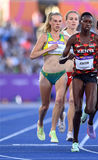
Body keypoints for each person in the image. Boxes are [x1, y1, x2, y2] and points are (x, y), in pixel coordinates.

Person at [59, 12, 98, 152]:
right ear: (81, 22)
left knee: (90, 108)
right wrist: (68, 57)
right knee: (77, 109)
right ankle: (75, 141)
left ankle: (87, 115)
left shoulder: (96, 38)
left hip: (91, 75)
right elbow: (61, 59)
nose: (88, 24)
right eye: (85, 22)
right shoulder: (73, 39)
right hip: (78, 76)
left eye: (90, 22)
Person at [30, 12, 67, 143]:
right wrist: (48, 48)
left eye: (59, 21)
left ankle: (52, 130)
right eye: (55, 21)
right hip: (46, 74)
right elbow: (32, 55)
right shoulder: (45, 37)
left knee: (59, 100)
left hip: (61, 74)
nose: (58, 24)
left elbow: (71, 55)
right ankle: (40, 123)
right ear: (50, 22)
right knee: (45, 106)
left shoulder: (65, 38)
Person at [60, 10, 79, 142]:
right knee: (59, 101)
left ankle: (70, 132)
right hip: (61, 73)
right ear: (66, 21)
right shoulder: (60, 35)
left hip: (75, 72)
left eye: (75, 19)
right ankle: (61, 116)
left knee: (72, 101)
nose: (73, 21)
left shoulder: (82, 36)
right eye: (70, 18)